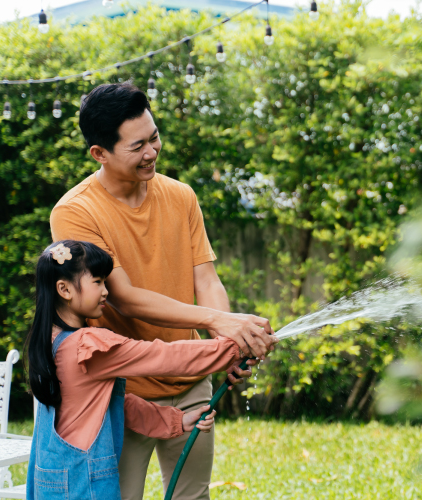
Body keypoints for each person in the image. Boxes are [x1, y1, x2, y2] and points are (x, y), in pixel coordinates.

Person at [49, 82, 278, 500]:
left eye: (154, 137)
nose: (152, 152)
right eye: (137, 146)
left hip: (191, 381)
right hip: (122, 392)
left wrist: (225, 343)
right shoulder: (76, 211)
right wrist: (215, 321)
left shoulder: (180, 196)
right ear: (99, 153)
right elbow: (124, 296)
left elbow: (206, 280)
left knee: (193, 496)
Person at [25, 240, 245, 500]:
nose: (106, 291)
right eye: (97, 282)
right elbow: (163, 357)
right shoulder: (89, 347)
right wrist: (233, 346)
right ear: (64, 289)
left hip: (50, 482)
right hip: (86, 486)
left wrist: (176, 420)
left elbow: (115, 405)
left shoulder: (51, 340)